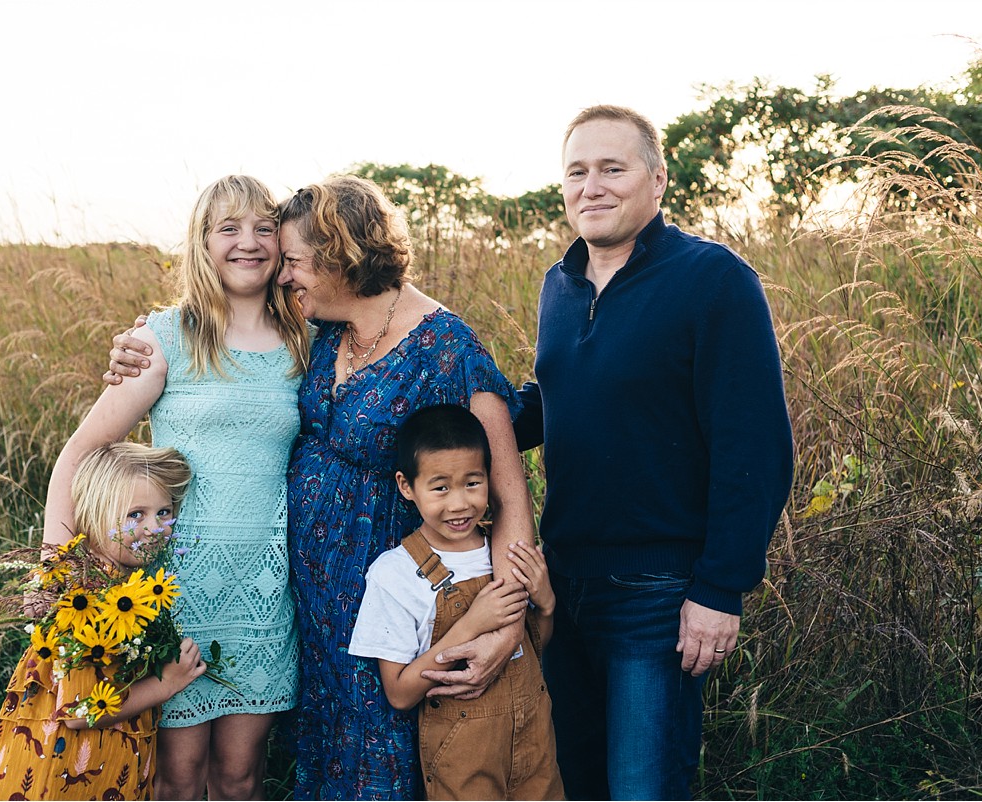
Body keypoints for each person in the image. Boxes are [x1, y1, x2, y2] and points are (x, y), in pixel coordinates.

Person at [107, 175, 533, 799]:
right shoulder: (324, 332)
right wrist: (142, 339)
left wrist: (506, 629)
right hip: (302, 602)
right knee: (317, 761)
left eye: (297, 262)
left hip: (386, 605)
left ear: (340, 257)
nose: (285, 275)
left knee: (386, 762)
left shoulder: (445, 345)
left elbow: (508, 491)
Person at [497, 104, 794, 799]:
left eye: (612, 169)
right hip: (562, 587)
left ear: (657, 181)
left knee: (643, 788)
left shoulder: (712, 280)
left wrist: (720, 589)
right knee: (576, 784)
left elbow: (754, 445)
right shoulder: (560, 284)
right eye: (576, 171)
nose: (591, 187)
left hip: (657, 596)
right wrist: (469, 417)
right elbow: (558, 399)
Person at [45, 175, 311, 800]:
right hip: (178, 588)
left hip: (265, 592)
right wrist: (57, 577)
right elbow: (79, 454)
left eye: (263, 228)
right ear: (202, 242)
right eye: (229, 228)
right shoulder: (162, 340)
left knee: (242, 778)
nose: (248, 243)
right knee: (177, 779)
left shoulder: (307, 339)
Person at [0, 442, 208, 801]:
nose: (153, 528)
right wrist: (166, 684)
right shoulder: (84, 598)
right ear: (95, 515)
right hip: (62, 775)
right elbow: (79, 712)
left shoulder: (123, 587)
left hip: (100, 765)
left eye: (163, 512)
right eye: (135, 515)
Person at [349, 404, 563, 801]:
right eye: (441, 486)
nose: (460, 504)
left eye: (472, 482)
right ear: (406, 486)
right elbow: (398, 693)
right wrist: (469, 625)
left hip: (536, 748)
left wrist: (546, 605)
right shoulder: (395, 575)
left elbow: (532, 650)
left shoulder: (504, 555)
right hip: (464, 761)